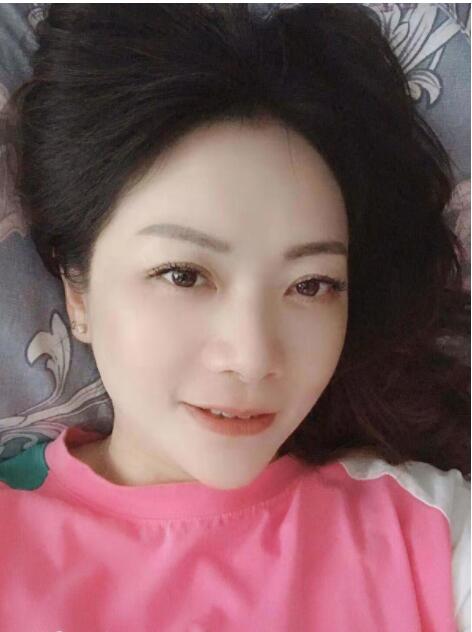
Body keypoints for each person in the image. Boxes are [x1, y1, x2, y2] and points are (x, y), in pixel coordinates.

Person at [0, 4, 469, 630]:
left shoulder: (428, 535)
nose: (252, 358)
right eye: (184, 275)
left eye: (311, 285)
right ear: (77, 291)